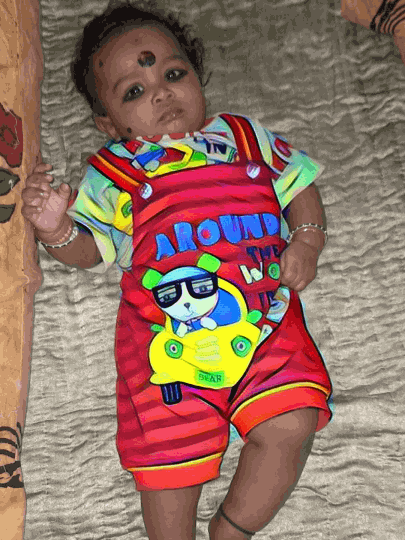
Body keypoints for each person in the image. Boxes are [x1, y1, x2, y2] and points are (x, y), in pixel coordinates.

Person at [21, 2, 333, 539]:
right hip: (167, 343)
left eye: (172, 73)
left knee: (293, 420)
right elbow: (90, 251)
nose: (161, 93)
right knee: (168, 462)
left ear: (196, 75)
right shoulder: (114, 172)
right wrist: (55, 230)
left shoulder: (243, 137)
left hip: (265, 323)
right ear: (109, 124)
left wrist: (307, 239)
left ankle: (232, 528)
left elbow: (298, 182)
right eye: (134, 91)